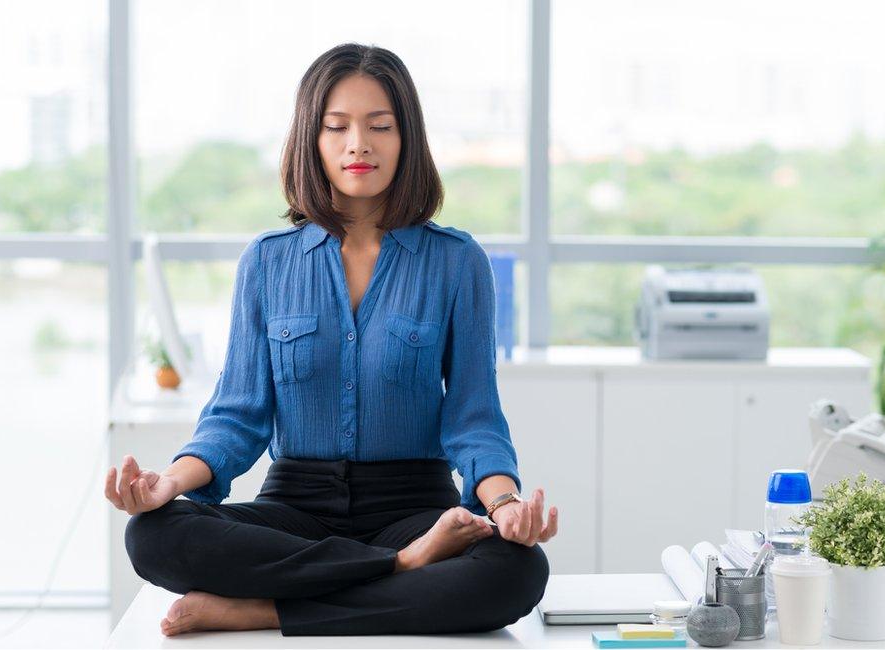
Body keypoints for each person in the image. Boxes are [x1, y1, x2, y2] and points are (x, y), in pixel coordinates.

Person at [104, 42, 558, 637]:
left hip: (415, 503)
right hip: (295, 505)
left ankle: (262, 610)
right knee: (152, 534)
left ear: (408, 138)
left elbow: (473, 417)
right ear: (310, 140)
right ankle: (401, 568)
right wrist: (168, 481)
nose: (358, 145)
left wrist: (504, 507)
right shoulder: (267, 263)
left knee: (515, 570)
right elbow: (236, 418)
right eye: (336, 126)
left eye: (380, 127)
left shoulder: (456, 262)